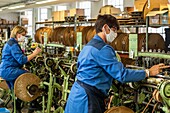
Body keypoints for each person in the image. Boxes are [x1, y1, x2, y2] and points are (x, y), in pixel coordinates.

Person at [64, 14, 170, 113]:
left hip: (77, 95)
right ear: (105, 28)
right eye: (114, 30)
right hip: (88, 99)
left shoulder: (88, 47)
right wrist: (148, 72)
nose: (115, 35)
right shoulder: (103, 49)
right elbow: (122, 75)